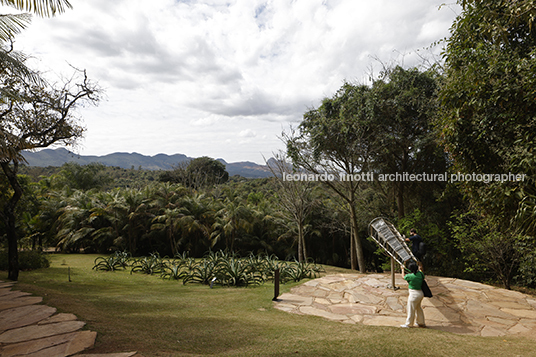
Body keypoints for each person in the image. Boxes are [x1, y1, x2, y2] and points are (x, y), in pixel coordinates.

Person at [400, 260, 426, 328]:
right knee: (418, 308)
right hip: (420, 293)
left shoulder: (410, 276)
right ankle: (421, 323)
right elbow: (421, 273)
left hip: (413, 294)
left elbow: (403, 277)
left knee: (411, 309)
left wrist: (402, 270)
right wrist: (420, 269)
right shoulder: (420, 274)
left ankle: (408, 324)